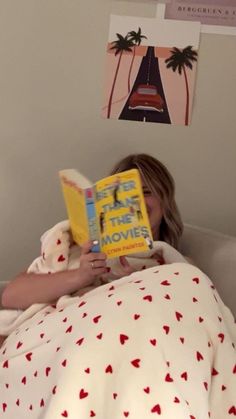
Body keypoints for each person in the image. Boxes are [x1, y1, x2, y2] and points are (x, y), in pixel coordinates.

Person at [1, 153, 183, 311]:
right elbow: (11, 297)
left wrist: (136, 289)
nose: (136, 201)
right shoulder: (80, 246)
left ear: (165, 201)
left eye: (146, 192)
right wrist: (81, 276)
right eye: (126, 194)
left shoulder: (173, 264)